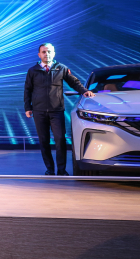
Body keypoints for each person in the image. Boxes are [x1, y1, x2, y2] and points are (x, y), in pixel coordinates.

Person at [24, 43, 95, 176]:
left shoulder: (61, 68)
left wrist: (84, 91)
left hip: (56, 111)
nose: (47, 54)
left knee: (60, 140)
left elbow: (74, 82)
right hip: (39, 111)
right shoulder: (32, 71)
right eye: (44, 52)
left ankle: (61, 170)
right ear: (39, 55)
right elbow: (27, 90)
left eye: (49, 51)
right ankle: (50, 169)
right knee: (44, 141)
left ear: (54, 53)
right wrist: (28, 107)